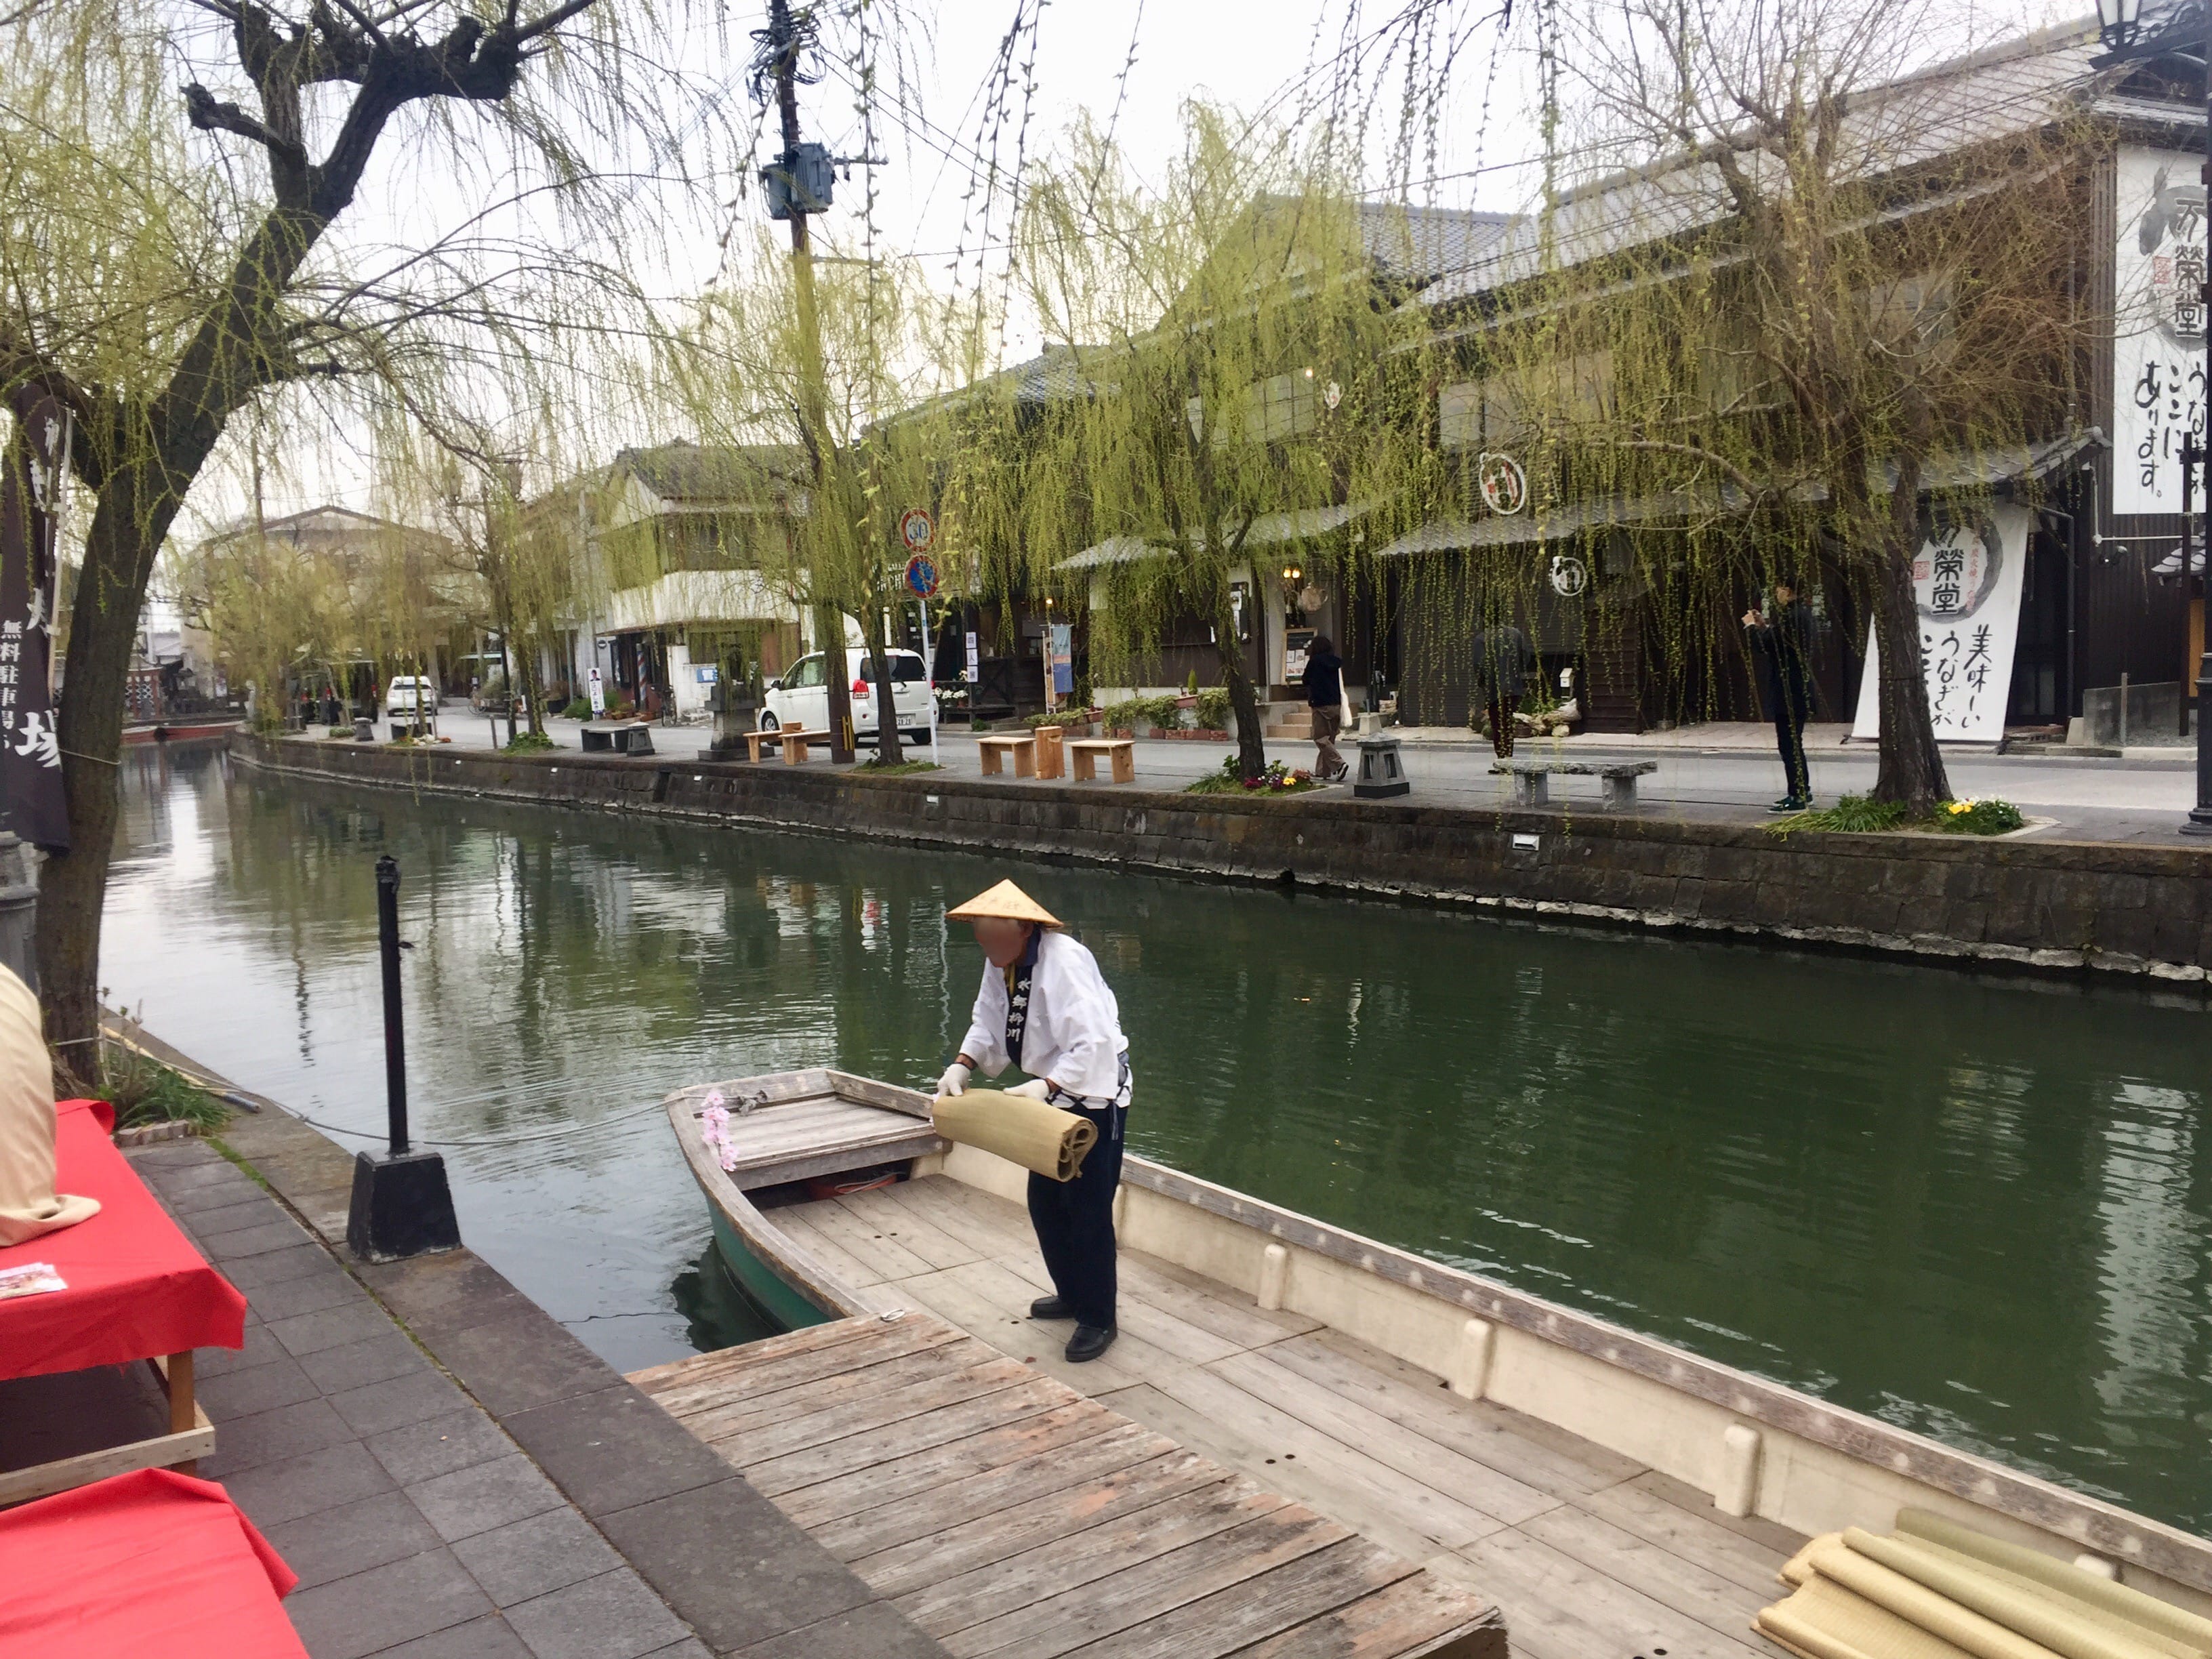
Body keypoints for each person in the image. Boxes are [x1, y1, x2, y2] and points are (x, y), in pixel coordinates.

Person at [937, 879, 1130, 1364]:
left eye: (992, 939)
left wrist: (1046, 1087)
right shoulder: (1001, 961)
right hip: (1046, 1094)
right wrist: (963, 1064)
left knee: (1087, 1208)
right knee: (1045, 1203)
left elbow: (1095, 1044)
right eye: (980, 939)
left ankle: (1099, 1317)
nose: (986, 948)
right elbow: (987, 1020)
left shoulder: (1063, 961)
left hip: (1093, 1092)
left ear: (1024, 929)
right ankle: (1071, 1293)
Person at [1744, 579, 1817, 811]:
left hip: (1790, 689)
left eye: (1779, 589)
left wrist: (1752, 627)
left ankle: (1798, 796)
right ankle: (1802, 792)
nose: (1776, 594)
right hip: (1797, 686)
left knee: (1789, 744)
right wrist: (1764, 627)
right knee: (1793, 743)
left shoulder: (1792, 617)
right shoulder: (1802, 614)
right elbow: (1777, 641)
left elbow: (1767, 647)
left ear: (1788, 590)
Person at [1473, 621, 1534, 758]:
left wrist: (1483, 683)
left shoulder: (1483, 638)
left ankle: (1503, 759)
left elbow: (1479, 665)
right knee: (1507, 722)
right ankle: (1507, 757)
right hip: (1514, 687)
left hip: (1494, 687)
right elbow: (1525, 657)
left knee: (1498, 725)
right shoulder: (1516, 634)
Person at [1300, 635, 1348, 781]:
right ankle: (1323, 771)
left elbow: (1305, 680)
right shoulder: (1335, 663)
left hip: (1320, 704)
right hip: (1335, 704)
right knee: (1329, 740)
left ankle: (1340, 764)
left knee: (1320, 739)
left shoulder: (1314, 662)